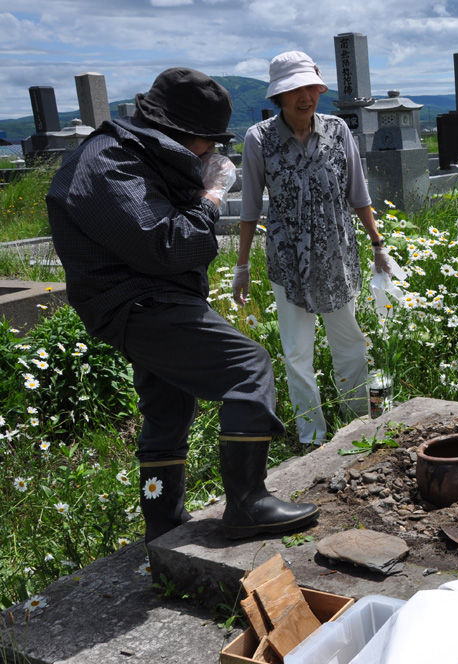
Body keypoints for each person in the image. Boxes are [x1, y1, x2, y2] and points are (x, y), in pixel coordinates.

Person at [46, 67, 318, 543]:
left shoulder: (131, 155)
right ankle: (248, 503)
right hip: (138, 300)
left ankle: (163, 522)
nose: (210, 153)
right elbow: (170, 245)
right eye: (207, 143)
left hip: (143, 300)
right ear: (180, 133)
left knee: (169, 403)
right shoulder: (107, 164)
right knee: (246, 366)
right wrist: (212, 196)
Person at [237, 50, 392, 445]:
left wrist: (378, 244)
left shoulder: (338, 131)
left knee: (351, 341)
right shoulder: (259, 139)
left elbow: (358, 192)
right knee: (297, 352)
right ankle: (312, 436)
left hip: (336, 255)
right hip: (288, 261)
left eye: (311, 87)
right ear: (278, 97)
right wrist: (242, 265)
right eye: (294, 90)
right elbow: (251, 205)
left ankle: (358, 420)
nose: (304, 97)